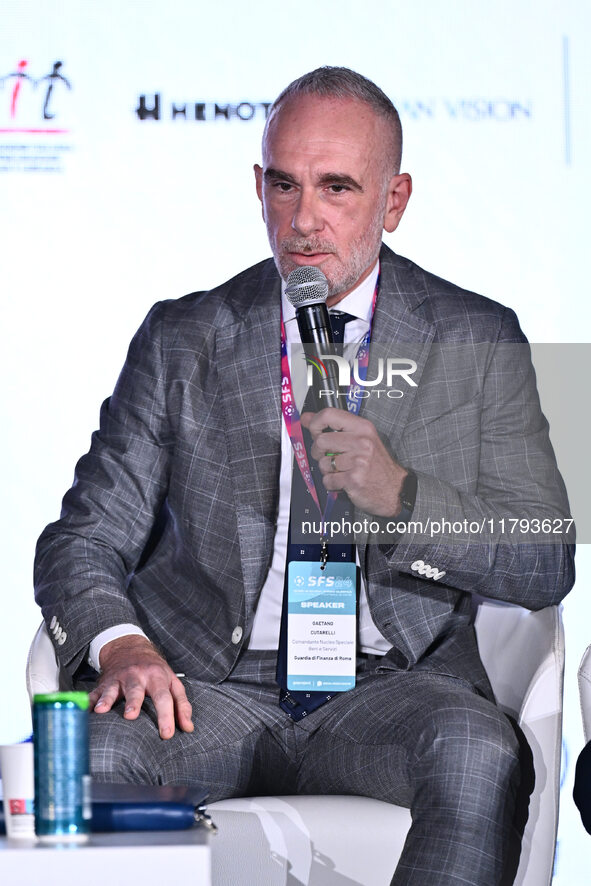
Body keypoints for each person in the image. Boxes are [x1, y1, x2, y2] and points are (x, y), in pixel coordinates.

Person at [34, 67, 574, 885]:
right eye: (283, 185)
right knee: (101, 745)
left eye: (336, 189)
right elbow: (83, 537)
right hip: (208, 690)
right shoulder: (184, 335)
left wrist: (401, 499)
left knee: (474, 750)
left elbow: (545, 557)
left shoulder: (477, 336)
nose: (302, 219)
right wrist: (123, 644)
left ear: (393, 202)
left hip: (390, 691)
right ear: (258, 185)